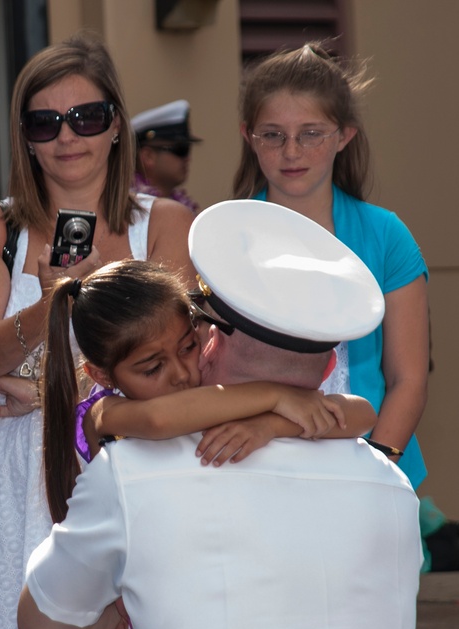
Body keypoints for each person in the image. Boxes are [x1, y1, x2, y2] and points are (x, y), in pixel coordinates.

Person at [19, 200, 422, 629]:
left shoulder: (133, 472)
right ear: (328, 367)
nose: (181, 373)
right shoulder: (392, 488)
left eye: (187, 347)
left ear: (209, 340)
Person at [0, 30, 194, 629]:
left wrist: (43, 386)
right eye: (45, 122)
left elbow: (177, 362)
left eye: (87, 116)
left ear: (116, 126)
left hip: (127, 463)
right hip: (9, 476)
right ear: (25, 137)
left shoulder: (164, 224)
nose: (67, 136)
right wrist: (49, 303)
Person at [40, 259, 377, 526]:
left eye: (188, 347)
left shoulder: (210, 390)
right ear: (101, 375)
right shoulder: (104, 414)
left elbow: (361, 414)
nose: (182, 373)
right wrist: (277, 396)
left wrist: (271, 425)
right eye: (153, 368)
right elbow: (158, 420)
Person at [233, 41, 430, 489]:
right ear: (249, 136)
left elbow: (408, 379)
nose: (291, 151)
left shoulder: (386, 235)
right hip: (256, 469)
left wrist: (377, 472)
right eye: (273, 135)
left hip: (370, 463)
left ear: (344, 135)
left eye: (311, 133)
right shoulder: (225, 237)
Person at [130, 99, 201, 213]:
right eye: (181, 149)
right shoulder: (130, 208)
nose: (187, 158)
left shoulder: (183, 207)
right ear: (148, 156)